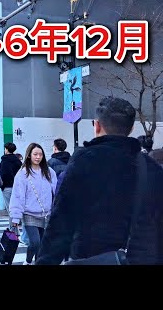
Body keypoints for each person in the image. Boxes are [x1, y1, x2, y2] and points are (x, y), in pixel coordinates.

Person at [36, 96, 163, 265]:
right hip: (143, 257)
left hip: (90, 256)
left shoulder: (84, 161)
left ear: (97, 125)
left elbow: (60, 224)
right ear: (131, 128)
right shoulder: (151, 168)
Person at [10, 143, 57, 265]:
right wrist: (15, 217)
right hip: (29, 213)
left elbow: (57, 192)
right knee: (35, 242)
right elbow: (18, 196)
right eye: (35, 154)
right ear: (29, 155)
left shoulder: (49, 172)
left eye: (40, 154)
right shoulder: (23, 174)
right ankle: (28, 261)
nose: (38, 157)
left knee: (41, 244)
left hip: (45, 213)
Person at [0, 142, 23, 225]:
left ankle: (13, 231)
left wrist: (2, 186)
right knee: (18, 208)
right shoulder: (18, 162)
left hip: (7, 187)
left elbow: (3, 175)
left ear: (6, 149)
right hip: (18, 187)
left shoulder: (4, 161)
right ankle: (21, 227)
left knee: (11, 210)